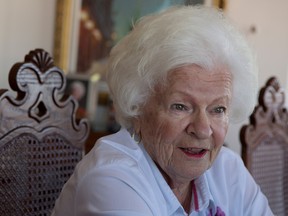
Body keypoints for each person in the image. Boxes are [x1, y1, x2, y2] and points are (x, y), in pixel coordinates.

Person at [52, 5, 274, 216]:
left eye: (218, 109)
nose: (203, 129)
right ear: (137, 106)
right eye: (181, 106)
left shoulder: (228, 169)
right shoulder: (111, 177)